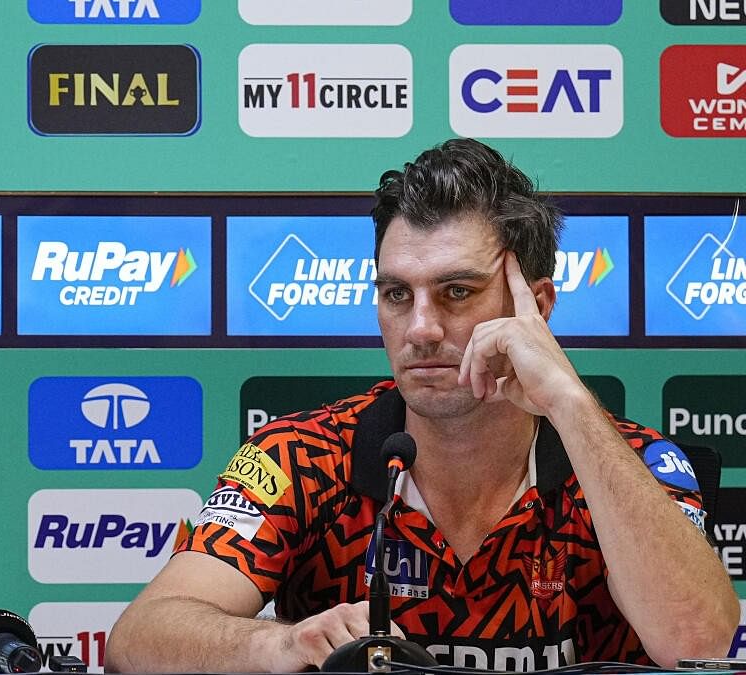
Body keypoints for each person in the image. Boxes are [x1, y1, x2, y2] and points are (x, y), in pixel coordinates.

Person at [105, 139, 738, 673]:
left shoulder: (635, 462)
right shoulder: (299, 458)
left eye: (457, 291)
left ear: (536, 307)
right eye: (396, 294)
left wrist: (569, 403)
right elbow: (138, 640)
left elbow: (698, 642)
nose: (422, 329)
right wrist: (279, 641)